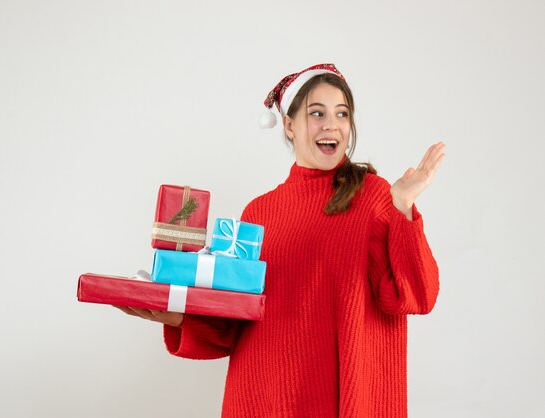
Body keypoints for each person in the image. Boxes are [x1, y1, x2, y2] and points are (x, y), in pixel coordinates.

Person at [117, 63, 445, 418]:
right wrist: (176, 317)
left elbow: (417, 294)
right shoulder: (259, 212)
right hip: (262, 398)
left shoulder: (375, 197)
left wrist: (404, 207)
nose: (331, 125)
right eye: (316, 113)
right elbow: (234, 324)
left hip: (341, 400)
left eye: (342, 114)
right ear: (289, 125)